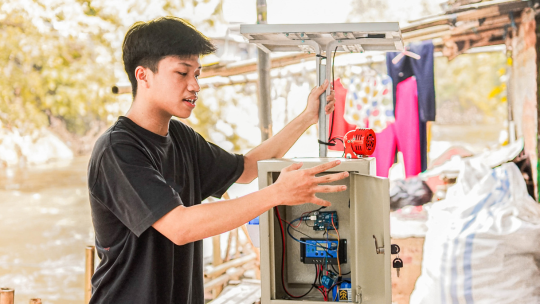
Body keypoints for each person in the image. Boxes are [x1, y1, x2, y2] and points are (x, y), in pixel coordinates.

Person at [87, 16, 349, 304]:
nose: (195, 85)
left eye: (197, 74)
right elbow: (180, 227)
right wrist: (277, 193)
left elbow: (247, 168)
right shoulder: (117, 149)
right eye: (182, 73)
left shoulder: (181, 137)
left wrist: (306, 119)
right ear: (143, 75)